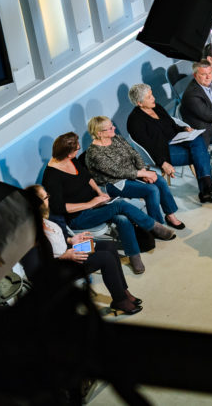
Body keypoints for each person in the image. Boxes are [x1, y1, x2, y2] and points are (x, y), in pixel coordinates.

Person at [41, 132, 175, 275]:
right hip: (79, 217)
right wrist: (90, 203)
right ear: (68, 153)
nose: (79, 149)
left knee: (122, 219)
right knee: (121, 205)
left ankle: (134, 256)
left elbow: (88, 178)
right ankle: (155, 227)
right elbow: (59, 207)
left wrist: (99, 193)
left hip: (97, 205)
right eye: (76, 149)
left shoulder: (71, 161)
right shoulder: (51, 176)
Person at [24, 184, 142, 315]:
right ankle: (120, 300)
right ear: (38, 202)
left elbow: (58, 239)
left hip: (70, 249)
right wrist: (63, 257)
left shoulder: (46, 219)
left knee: (109, 246)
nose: (48, 199)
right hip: (62, 264)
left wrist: (71, 240)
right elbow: (36, 265)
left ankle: (123, 291)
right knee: (106, 258)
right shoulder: (32, 231)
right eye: (46, 197)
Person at [126, 83, 212, 205]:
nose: (154, 98)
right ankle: (207, 188)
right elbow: (148, 147)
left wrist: (184, 129)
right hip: (162, 152)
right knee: (201, 154)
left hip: (176, 140)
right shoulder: (135, 122)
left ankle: (206, 188)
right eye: (149, 97)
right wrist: (163, 163)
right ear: (139, 103)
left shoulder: (156, 107)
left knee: (198, 139)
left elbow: (171, 125)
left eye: (152, 95)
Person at [84, 116, 185, 231]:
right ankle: (155, 225)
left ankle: (170, 215)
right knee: (151, 190)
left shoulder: (117, 138)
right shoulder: (94, 153)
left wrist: (143, 170)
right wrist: (144, 175)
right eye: (110, 128)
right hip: (113, 183)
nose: (114, 128)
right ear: (99, 133)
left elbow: (134, 154)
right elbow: (117, 172)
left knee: (160, 181)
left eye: (112, 125)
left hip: (133, 173)